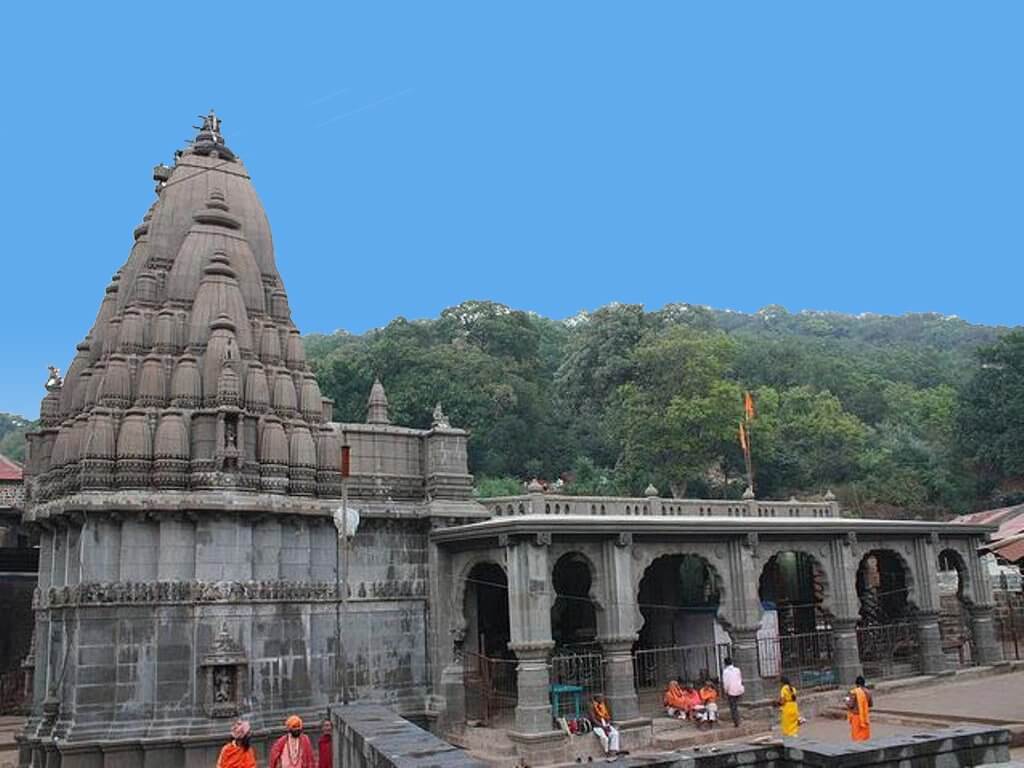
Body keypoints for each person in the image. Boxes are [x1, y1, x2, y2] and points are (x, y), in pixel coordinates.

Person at [846, 675, 872, 742]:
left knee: (857, 738)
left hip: (856, 717)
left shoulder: (853, 692)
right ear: (864, 683)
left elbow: (850, 705)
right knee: (865, 738)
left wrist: (846, 700)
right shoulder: (868, 692)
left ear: (856, 684)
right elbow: (870, 704)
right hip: (865, 716)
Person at [721, 657, 745, 728]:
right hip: (739, 689)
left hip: (731, 691)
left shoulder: (725, 672)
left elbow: (726, 683)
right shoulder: (737, 670)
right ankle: (738, 719)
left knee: (733, 707)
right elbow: (740, 679)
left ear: (725, 663)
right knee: (736, 705)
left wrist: (725, 691)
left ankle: (736, 721)